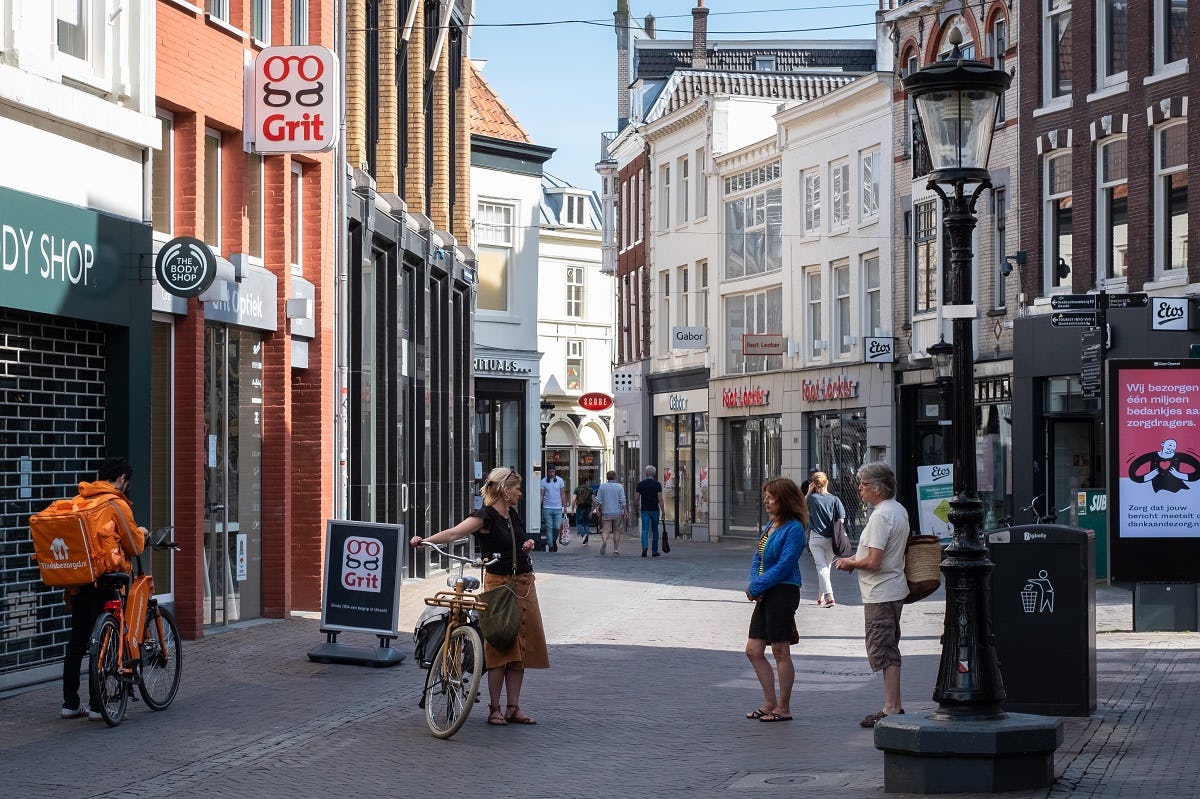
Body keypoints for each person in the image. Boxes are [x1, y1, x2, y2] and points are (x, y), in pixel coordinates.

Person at [409, 466, 549, 725]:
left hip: (524, 584)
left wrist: (525, 545)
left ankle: (513, 707)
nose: (520, 493)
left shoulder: (511, 515)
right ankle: (495, 708)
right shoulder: (485, 516)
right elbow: (455, 533)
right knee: (500, 645)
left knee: (521, 647)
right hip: (498, 584)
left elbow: (516, 542)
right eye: (517, 488)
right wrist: (426, 541)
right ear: (505, 491)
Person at [61, 457, 147, 720]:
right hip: (107, 579)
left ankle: (70, 704)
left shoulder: (80, 501)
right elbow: (133, 545)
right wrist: (143, 533)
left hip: (79, 579)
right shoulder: (115, 504)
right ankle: (98, 706)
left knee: (77, 642)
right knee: (104, 643)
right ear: (121, 478)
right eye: (126, 482)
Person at [834, 461, 911, 728]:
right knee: (889, 646)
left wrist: (851, 563)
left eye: (864, 484)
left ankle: (891, 707)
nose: (859, 489)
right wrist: (854, 559)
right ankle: (893, 705)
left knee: (884, 649)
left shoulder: (880, 516)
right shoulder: (897, 510)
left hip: (881, 591)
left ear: (878, 488)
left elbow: (875, 561)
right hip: (892, 588)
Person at [744, 477, 808, 723]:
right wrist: (754, 584)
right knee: (753, 650)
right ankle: (769, 702)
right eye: (766, 496)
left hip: (783, 591)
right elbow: (757, 558)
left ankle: (783, 707)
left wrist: (757, 585)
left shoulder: (793, 528)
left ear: (785, 499)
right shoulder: (772, 525)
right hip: (766, 590)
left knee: (780, 650)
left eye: (771, 497)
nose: (766, 501)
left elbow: (784, 565)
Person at [805, 471, 847, 608]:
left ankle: (829, 596)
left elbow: (801, 507)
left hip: (816, 537)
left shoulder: (812, 499)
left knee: (821, 567)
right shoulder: (835, 499)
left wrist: (809, 492)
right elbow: (841, 520)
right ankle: (821, 597)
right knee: (826, 568)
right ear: (827, 482)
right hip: (831, 539)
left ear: (814, 484)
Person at [593, 470, 628, 556]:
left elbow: (597, 500)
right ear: (615, 477)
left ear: (607, 478)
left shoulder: (602, 487)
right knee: (616, 531)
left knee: (605, 531)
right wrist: (626, 512)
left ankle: (605, 541)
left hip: (606, 513)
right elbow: (623, 501)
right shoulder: (619, 487)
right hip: (617, 513)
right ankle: (615, 550)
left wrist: (594, 509)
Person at [635, 465, 666, 557]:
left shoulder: (641, 484)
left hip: (645, 509)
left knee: (644, 530)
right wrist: (663, 511)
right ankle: (654, 551)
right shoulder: (657, 484)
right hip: (655, 510)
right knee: (655, 530)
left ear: (646, 473)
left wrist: (636, 510)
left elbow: (636, 498)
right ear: (654, 474)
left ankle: (644, 547)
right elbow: (660, 499)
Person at [539, 464, 568, 551]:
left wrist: (565, 506)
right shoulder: (543, 481)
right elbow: (541, 495)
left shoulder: (560, 480)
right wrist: (539, 506)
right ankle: (551, 546)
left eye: (553, 472)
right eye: (550, 472)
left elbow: (563, 494)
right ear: (547, 472)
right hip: (547, 507)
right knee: (549, 527)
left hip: (558, 508)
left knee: (557, 527)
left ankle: (553, 540)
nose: (552, 474)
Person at [570, 480, 594, 545]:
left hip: (580, 508)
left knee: (579, 523)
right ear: (586, 482)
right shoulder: (590, 489)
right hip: (588, 508)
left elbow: (574, 499)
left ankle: (583, 535)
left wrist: (572, 509)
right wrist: (593, 510)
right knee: (586, 524)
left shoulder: (577, 489)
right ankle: (586, 541)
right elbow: (593, 500)